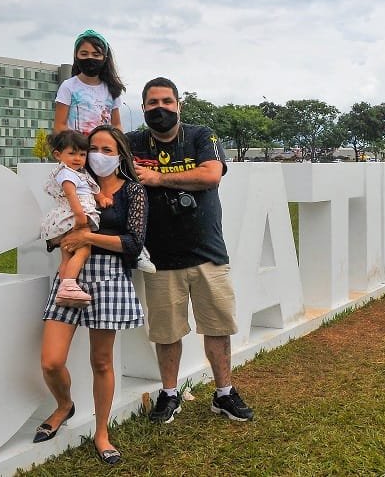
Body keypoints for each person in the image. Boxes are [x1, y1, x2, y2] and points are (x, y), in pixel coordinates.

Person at [127, 77, 254, 424]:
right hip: (159, 258)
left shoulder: (200, 136)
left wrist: (157, 178)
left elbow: (211, 175)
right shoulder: (133, 143)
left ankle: (224, 393)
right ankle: (170, 394)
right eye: (153, 103)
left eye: (167, 102)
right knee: (167, 333)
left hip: (207, 252)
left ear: (178, 105)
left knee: (217, 327)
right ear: (143, 108)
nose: (160, 109)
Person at [35, 125, 148, 465]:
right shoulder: (76, 182)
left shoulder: (133, 191)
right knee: (51, 361)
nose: (97, 155)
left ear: (120, 155)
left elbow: (133, 243)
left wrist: (88, 238)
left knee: (101, 361)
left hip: (108, 275)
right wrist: (64, 241)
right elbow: (57, 230)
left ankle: (101, 432)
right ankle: (64, 405)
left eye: (106, 150)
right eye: (92, 148)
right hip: (70, 273)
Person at [54, 29, 155, 273]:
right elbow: (59, 125)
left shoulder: (111, 89)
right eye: (84, 53)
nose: (90, 58)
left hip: (103, 149)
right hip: (80, 155)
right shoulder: (69, 86)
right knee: (80, 202)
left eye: (96, 54)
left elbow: (117, 124)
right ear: (76, 56)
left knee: (123, 197)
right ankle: (71, 263)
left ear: (105, 57)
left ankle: (136, 246)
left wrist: (118, 149)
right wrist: (73, 151)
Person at [39, 130, 110, 305]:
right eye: (72, 153)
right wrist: (80, 216)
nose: (78, 158)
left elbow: (90, 189)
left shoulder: (78, 173)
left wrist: (101, 198)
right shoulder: (67, 173)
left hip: (67, 220)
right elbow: (72, 196)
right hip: (74, 218)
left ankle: (63, 290)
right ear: (58, 155)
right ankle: (69, 286)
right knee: (84, 251)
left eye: (82, 154)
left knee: (67, 256)